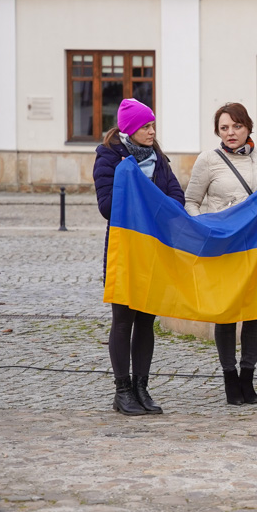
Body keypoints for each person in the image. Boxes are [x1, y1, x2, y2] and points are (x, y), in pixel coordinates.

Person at [184, 102, 257, 406]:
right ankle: (230, 377)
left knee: (255, 313)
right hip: (225, 247)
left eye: (237, 126)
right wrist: (205, 226)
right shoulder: (208, 160)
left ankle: (248, 375)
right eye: (224, 128)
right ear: (218, 131)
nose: (231, 133)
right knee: (227, 312)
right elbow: (191, 202)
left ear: (248, 127)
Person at [93, 98, 185, 416]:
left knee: (146, 322)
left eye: (152, 124)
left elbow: (176, 196)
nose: (151, 130)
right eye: (146, 126)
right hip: (125, 251)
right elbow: (106, 205)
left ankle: (141, 389)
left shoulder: (157, 158)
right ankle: (122, 392)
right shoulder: (109, 158)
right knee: (123, 322)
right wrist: (143, 195)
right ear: (130, 129)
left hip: (152, 250)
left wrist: (150, 203)